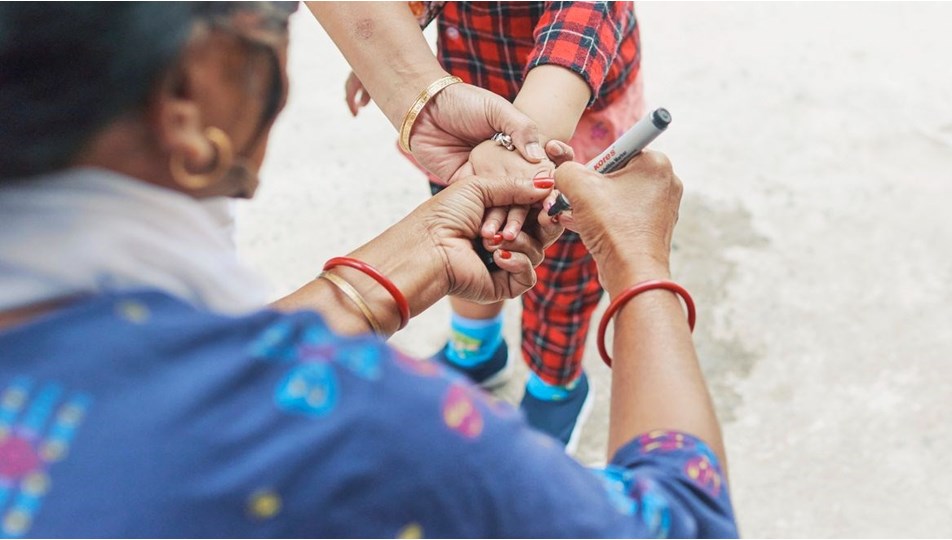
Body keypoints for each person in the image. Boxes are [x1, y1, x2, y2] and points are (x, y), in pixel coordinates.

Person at [0, 3, 737, 537]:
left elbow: (153, 392)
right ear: (191, 103)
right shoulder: (353, 421)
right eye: (278, 15)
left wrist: (403, 258)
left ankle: (550, 385)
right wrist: (640, 267)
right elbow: (679, 524)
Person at [341, 1, 646, 450]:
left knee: (557, 270)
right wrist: (388, 56)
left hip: (568, 123)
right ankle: (475, 350)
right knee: (469, 242)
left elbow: (581, 21)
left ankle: (554, 386)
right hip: (462, 107)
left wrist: (520, 145)